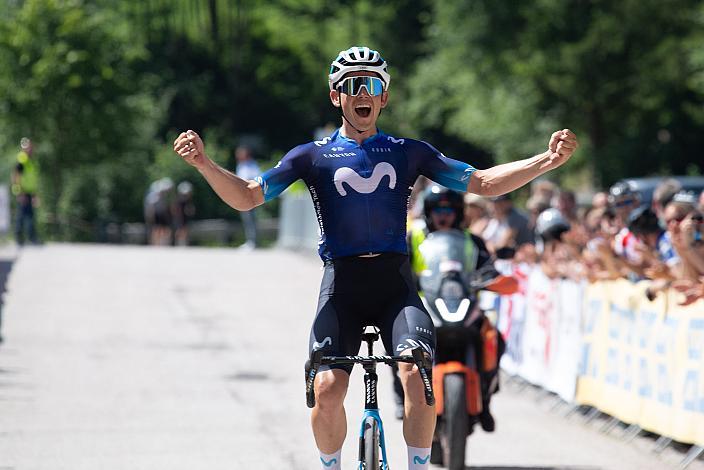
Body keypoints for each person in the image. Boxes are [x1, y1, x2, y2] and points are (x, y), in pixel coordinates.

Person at [173, 46, 578, 470]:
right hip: (342, 287)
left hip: (393, 286)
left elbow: (483, 183)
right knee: (327, 389)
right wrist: (204, 163)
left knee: (417, 376)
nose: (361, 92)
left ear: (384, 96)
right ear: (337, 96)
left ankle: (418, 465)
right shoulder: (310, 156)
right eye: (352, 85)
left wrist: (547, 160)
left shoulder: (408, 152)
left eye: (371, 84)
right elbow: (248, 197)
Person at [407, 186, 503, 432]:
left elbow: (488, 267)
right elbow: (398, 265)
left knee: (496, 339)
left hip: (465, 303)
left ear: (459, 212)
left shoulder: (472, 241)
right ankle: (402, 400)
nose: (443, 215)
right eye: (438, 209)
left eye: (449, 209)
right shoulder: (412, 236)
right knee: (402, 348)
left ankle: (487, 399)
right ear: (428, 212)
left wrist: (492, 277)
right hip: (423, 305)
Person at [12, 138, 39, 245]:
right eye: (29, 147)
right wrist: (19, 192)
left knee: (29, 215)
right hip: (23, 192)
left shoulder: (30, 160)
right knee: (21, 215)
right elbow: (16, 175)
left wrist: (34, 194)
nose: (31, 149)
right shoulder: (22, 159)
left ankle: (31, 237)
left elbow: (32, 179)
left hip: (29, 192)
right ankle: (19, 238)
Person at [234, 146, 261, 249]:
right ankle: (250, 240)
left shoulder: (252, 165)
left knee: (251, 220)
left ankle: (253, 242)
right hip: (242, 195)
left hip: (250, 195)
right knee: (247, 219)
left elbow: (256, 177)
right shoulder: (241, 165)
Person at [173, 181, 196, 246]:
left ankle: (183, 243)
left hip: (184, 217)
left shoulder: (187, 200)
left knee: (184, 230)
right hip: (180, 217)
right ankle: (178, 243)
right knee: (179, 230)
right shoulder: (179, 200)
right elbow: (175, 209)